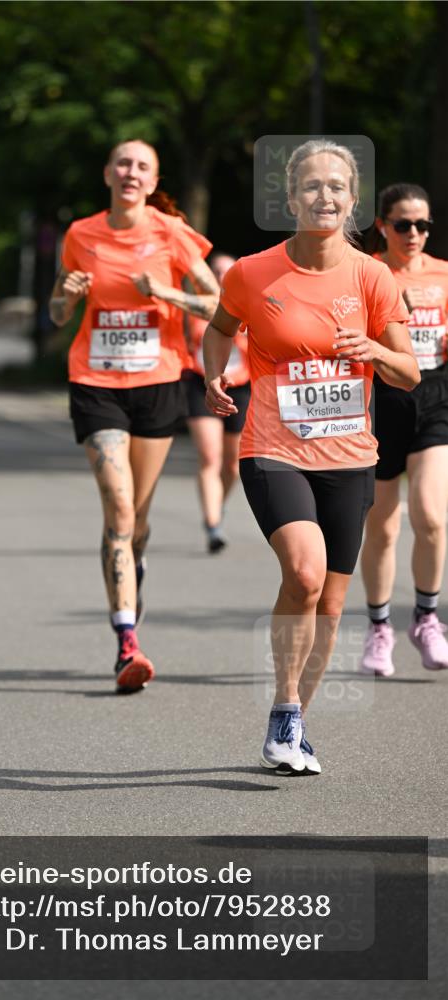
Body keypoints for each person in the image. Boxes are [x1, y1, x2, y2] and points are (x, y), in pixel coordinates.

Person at [203, 140, 419, 774]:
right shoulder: (250, 272)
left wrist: (373, 351)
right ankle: (286, 713)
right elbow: (220, 329)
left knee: (330, 603)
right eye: (311, 187)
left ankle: (290, 718)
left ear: (352, 201)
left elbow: (409, 371)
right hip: (273, 448)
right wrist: (214, 376)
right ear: (291, 198)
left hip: (351, 456)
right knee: (304, 573)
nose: (324, 197)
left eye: (336, 187)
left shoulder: (373, 276)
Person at [49, 139, 218, 693]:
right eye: (123, 163)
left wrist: (166, 291)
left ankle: (130, 584)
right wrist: (66, 297)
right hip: (96, 383)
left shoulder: (171, 234)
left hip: (158, 383)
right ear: (107, 174)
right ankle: (127, 643)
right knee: (118, 507)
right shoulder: (80, 234)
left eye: (142, 166)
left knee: (138, 521)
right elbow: (56, 312)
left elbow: (216, 303)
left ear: (153, 179)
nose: (131, 172)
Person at [359, 184, 448, 675]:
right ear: (383, 226)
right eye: (403, 224)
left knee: (432, 518)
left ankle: (427, 619)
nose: (413, 234)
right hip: (381, 401)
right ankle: (379, 628)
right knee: (384, 526)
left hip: (435, 398)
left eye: (423, 225)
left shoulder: (443, 274)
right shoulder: (369, 273)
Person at [184, 253, 250, 552]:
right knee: (209, 457)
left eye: (227, 270)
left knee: (233, 466)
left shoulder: (249, 303)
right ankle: (212, 525)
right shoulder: (195, 307)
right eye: (216, 270)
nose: (222, 275)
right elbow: (185, 341)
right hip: (201, 384)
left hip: (240, 385)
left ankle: (217, 508)